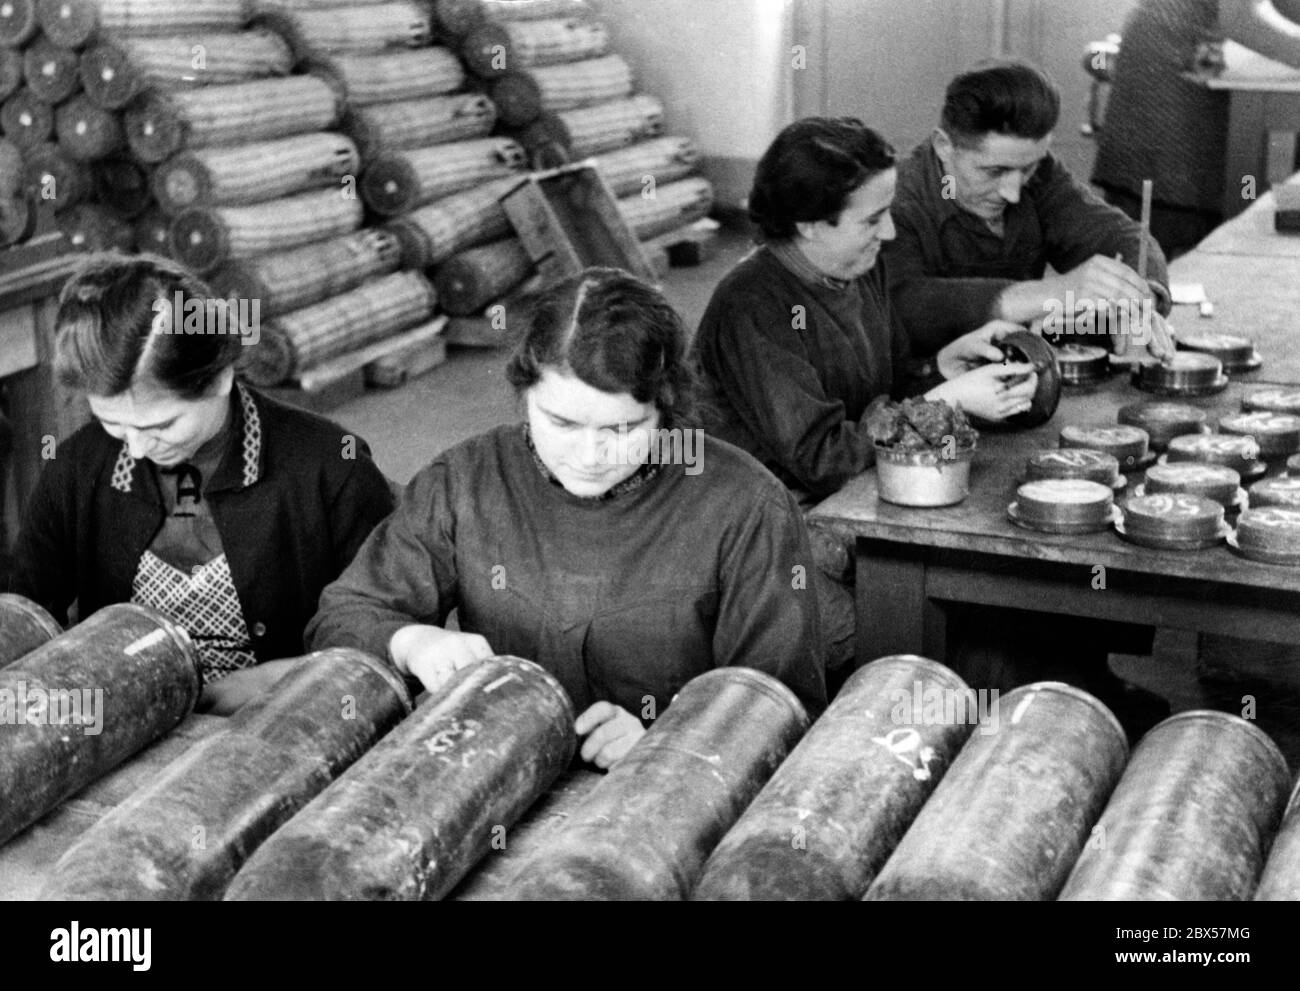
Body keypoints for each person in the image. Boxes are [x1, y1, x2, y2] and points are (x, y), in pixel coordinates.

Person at [305, 268, 828, 769]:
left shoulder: (745, 504)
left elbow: (782, 707)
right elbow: (342, 618)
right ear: (524, 391)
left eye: (622, 429)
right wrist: (412, 641)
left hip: (675, 807)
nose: (589, 453)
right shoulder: (465, 480)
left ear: (667, 407)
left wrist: (671, 744)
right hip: (495, 784)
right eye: (561, 422)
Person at [693, 116, 1038, 680]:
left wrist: (942, 369)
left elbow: (886, 390)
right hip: (765, 536)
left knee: (992, 590)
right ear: (808, 224)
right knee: (894, 647)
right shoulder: (752, 305)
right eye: (873, 219)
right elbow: (826, 458)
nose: (891, 234)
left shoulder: (855, 269)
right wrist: (947, 401)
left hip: (849, 505)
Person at [6, 253, 395, 714]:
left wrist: (268, 682)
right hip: (128, 726)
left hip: (296, 718)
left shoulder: (329, 467)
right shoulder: (76, 468)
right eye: (111, 423)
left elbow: (382, 630)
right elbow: (28, 607)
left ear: (220, 377)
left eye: (162, 425)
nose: (133, 449)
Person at [886, 60, 1173, 356]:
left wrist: (1137, 295)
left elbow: (1120, 235)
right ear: (944, 146)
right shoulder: (896, 200)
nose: (1012, 193)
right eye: (994, 171)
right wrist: (1051, 293)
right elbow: (901, 303)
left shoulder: (1039, 175)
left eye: (1027, 169)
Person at [1093, 0, 1300, 257]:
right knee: (1163, 210)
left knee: (1177, 207)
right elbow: (1240, 20)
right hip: (1170, 54)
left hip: (1184, 48)